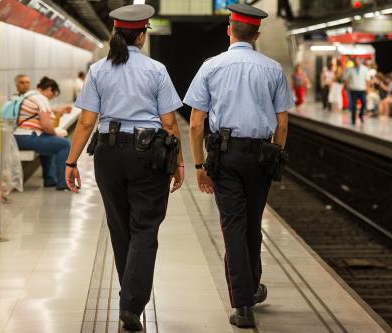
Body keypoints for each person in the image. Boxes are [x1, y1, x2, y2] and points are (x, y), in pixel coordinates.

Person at [64, 4, 184, 331]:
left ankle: (129, 296)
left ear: (115, 34)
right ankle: (131, 305)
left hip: (108, 154)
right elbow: (170, 123)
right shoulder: (156, 70)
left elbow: (87, 122)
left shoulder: (99, 70)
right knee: (145, 228)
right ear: (142, 35)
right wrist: (178, 162)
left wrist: (71, 161)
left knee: (120, 228)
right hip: (149, 155)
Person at [184, 4, 294, 328]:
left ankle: (243, 304)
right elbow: (283, 123)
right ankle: (251, 288)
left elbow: (195, 122)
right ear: (258, 34)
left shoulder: (211, 66)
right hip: (261, 156)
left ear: (229, 29)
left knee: (233, 225)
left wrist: (200, 164)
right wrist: (275, 155)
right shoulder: (273, 69)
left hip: (225, 156)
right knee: (252, 223)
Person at [14, 77, 70, 190]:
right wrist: (56, 134)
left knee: (50, 140)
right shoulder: (41, 99)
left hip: (18, 136)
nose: (51, 98)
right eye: (53, 95)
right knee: (64, 144)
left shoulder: (29, 96)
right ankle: (62, 183)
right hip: (27, 136)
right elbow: (46, 125)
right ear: (49, 89)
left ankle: (49, 179)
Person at [343, 57, 370, 124]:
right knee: (353, 105)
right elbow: (345, 78)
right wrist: (346, 86)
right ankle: (353, 119)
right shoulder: (350, 69)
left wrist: (368, 89)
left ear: (360, 61)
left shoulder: (365, 69)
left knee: (364, 103)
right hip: (353, 89)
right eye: (355, 61)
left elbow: (367, 80)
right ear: (354, 62)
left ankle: (360, 115)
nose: (357, 62)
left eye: (358, 60)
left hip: (362, 89)